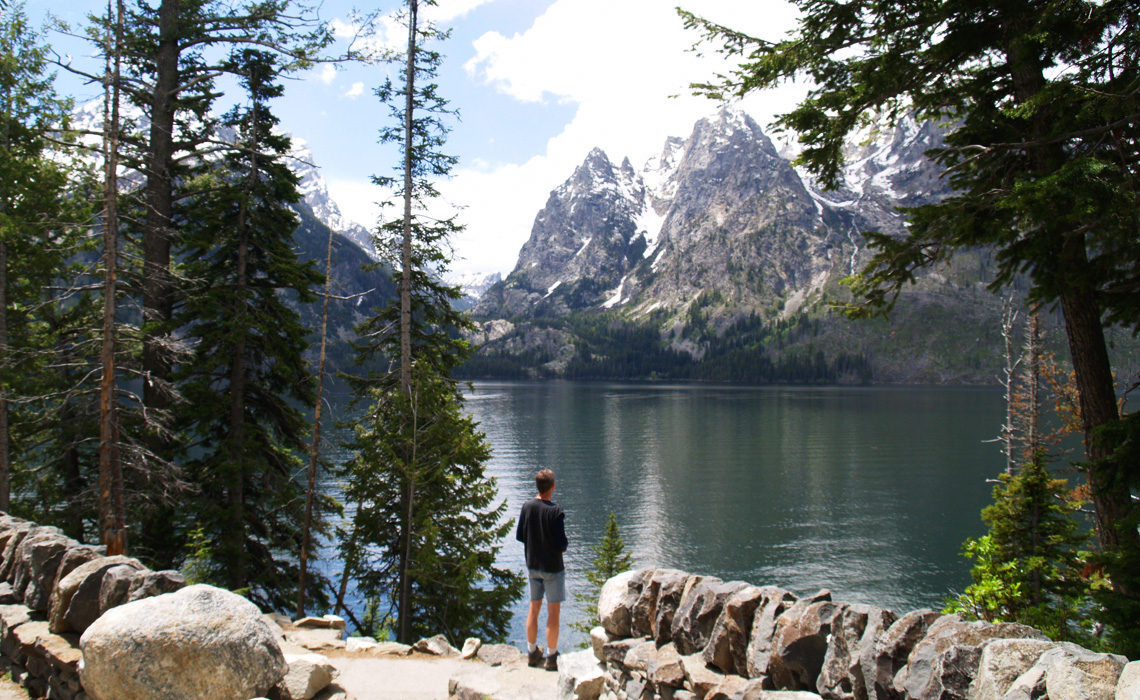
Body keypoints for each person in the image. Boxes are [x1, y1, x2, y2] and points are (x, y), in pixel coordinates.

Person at [516, 468, 568, 671]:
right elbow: (562, 544)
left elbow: (521, 535)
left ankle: (531, 652)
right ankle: (551, 656)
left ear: (537, 486)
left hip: (533, 566)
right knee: (553, 612)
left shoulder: (527, 507)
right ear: (553, 487)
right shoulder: (556, 512)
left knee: (533, 608)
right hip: (553, 569)